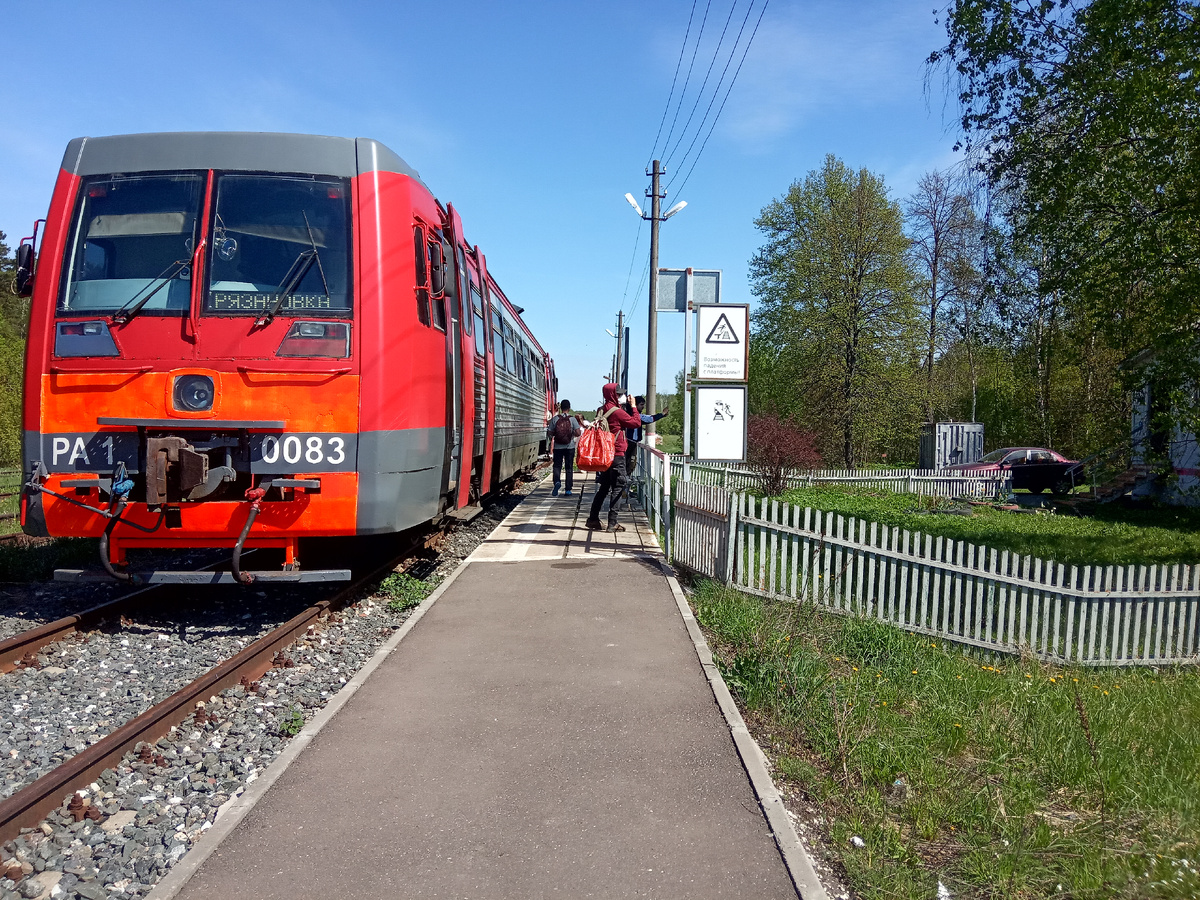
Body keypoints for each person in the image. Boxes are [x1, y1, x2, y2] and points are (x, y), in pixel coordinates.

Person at [585, 383, 643, 532]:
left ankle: (593, 519)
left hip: (604, 455)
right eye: (618, 394)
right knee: (618, 486)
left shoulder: (601, 410)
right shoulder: (617, 412)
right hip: (616, 454)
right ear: (613, 395)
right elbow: (636, 422)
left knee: (604, 487)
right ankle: (612, 523)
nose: (621, 396)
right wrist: (634, 406)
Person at [546, 399, 583, 496]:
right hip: (569, 446)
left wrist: (555, 435)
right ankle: (568, 489)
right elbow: (578, 432)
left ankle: (557, 482)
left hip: (558, 447)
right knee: (569, 467)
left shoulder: (555, 419)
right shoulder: (572, 419)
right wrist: (571, 435)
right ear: (569, 408)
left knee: (557, 466)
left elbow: (549, 433)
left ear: (561, 407)